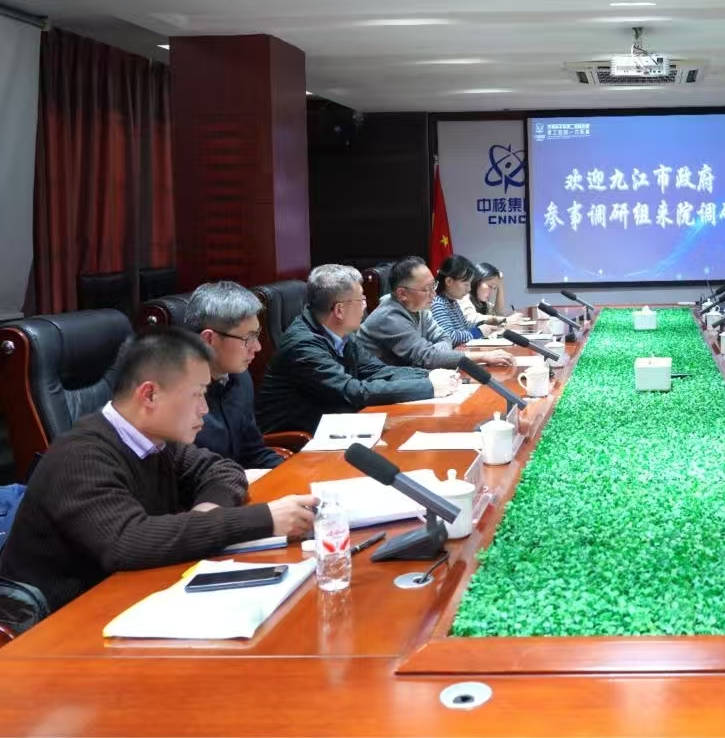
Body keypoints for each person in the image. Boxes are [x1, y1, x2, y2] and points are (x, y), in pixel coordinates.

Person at [0, 329, 317, 616]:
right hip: (61, 624)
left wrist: (207, 514)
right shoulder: (79, 457)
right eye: (197, 394)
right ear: (150, 395)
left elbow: (223, 470)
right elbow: (128, 542)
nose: (204, 409)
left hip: (131, 598)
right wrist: (265, 518)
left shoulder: (155, 440)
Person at [257, 264, 453, 435]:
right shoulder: (303, 345)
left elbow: (376, 371)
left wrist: (429, 375)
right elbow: (353, 391)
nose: (365, 307)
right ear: (339, 310)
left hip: (335, 427)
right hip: (298, 442)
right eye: (361, 300)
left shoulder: (341, 333)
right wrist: (429, 387)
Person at [183, 281, 282, 470]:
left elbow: (254, 453)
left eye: (257, 335)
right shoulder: (174, 396)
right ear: (209, 339)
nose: (258, 347)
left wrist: (297, 475)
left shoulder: (240, 378)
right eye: (248, 338)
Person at [359, 257, 513, 370]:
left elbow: (444, 337)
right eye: (426, 289)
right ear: (402, 294)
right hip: (375, 385)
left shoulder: (421, 309)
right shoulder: (389, 316)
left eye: (433, 286)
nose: (433, 294)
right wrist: (483, 356)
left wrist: (437, 354)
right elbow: (426, 357)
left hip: (405, 375)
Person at [430, 255, 497, 346]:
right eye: (466, 284)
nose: (469, 289)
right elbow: (449, 337)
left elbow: (464, 328)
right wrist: (478, 332)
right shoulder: (438, 304)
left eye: (470, 284)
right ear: (449, 281)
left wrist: (483, 324)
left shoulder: (453, 302)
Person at [461, 261, 510, 330]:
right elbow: (473, 319)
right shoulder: (463, 298)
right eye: (490, 286)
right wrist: (507, 319)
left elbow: (498, 314)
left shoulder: (482, 303)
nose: (491, 292)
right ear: (477, 281)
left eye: (494, 288)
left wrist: (500, 285)